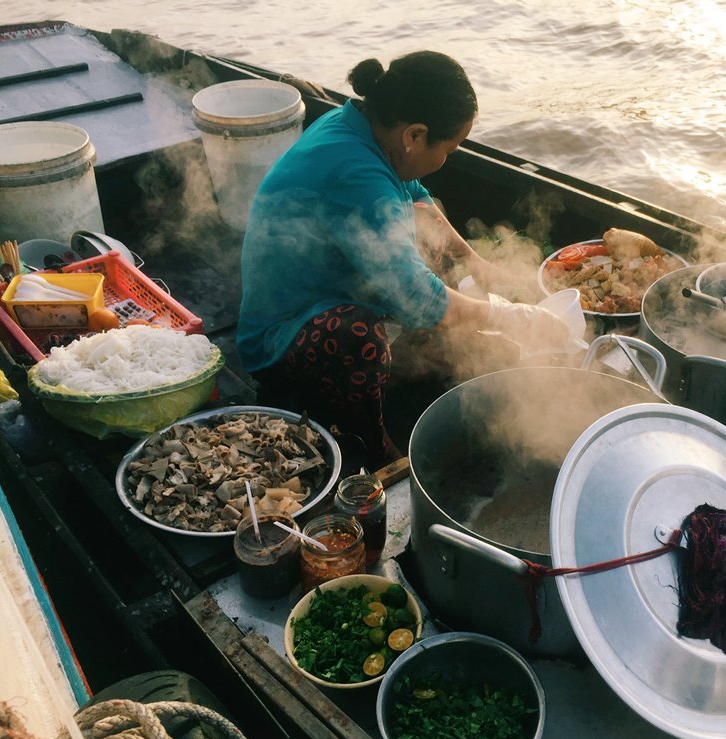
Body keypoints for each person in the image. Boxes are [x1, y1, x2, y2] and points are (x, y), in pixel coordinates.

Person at [236, 51, 569, 471]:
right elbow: (418, 298)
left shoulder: (366, 130)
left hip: (333, 282)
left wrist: (476, 264)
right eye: (451, 147)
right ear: (415, 134)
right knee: (360, 336)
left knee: (426, 241)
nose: (450, 157)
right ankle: (373, 447)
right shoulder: (355, 172)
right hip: (283, 338)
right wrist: (512, 317)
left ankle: (438, 347)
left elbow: (418, 201)